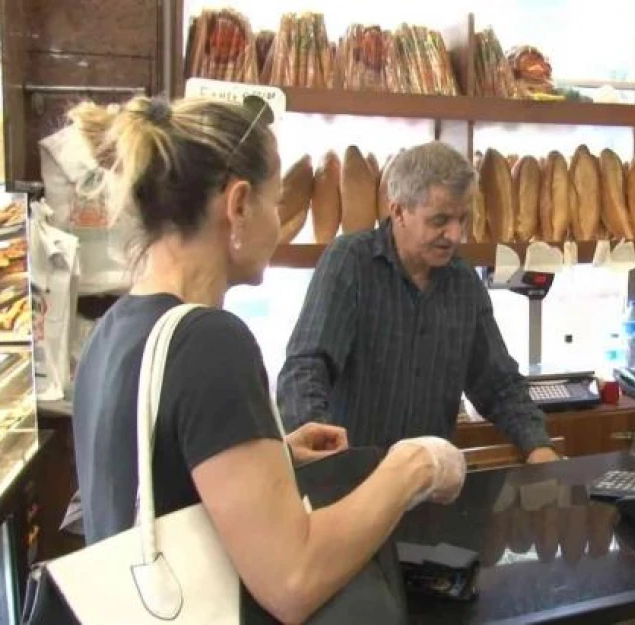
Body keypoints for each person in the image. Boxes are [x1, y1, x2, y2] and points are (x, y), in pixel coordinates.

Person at [69, 96, 466, 624]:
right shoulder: (209, 341)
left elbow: (160, 480)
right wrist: (413, 464)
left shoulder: (116, 329)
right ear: (237, 205)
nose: (279, 222)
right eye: (275, 202)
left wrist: (272, 457)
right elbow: (294, 579)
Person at [277, 141, 560, 463]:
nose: (454, 235)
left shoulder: (463, 282)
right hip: (351, 481)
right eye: (439, 220)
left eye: (461, 219)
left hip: (428, 487)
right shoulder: (351, 262)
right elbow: (306, 367)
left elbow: (498, 384)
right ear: (398, 211)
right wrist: (319, 448)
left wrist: (539, 448)